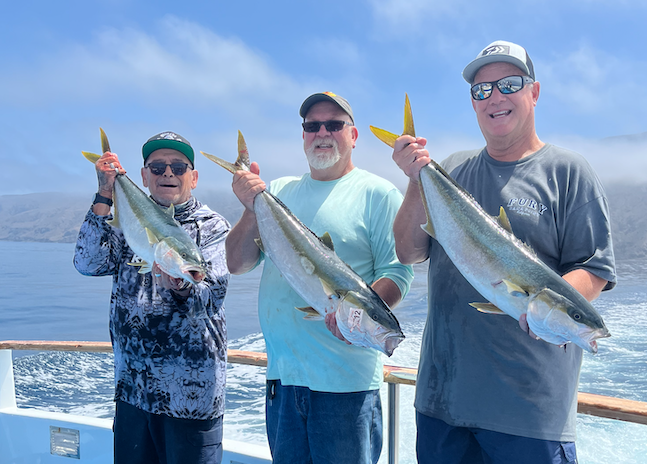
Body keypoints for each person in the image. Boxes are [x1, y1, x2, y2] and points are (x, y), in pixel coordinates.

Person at [391, 41, 616, 464]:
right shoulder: (450, 169)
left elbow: (595, 267)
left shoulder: (569, 171)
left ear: (534, 92)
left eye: (509, 83)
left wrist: (551, 307)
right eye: (482, 89)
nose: (494, 96)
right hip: (442, 406)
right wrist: (417, 179)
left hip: (528, 416)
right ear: (473, 103)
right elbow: (407, 252)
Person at [225, 92, 414, 464]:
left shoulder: (377, 193)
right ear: (303, 135)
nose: (322, 133)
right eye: (312, 126)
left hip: (345, 386)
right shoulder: (275, 192)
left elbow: (398, 272)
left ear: (354, 135)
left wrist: (355, 319)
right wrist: (251, 208)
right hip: (283, 380)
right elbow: (237, 263)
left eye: (334, 124)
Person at [74, 131, 231, 464]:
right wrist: (106, 191)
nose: (168, 173)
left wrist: (181, 286)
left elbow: (211, 297)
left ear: (194, 176)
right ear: (143, 176)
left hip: (190, 398)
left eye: (178, 166)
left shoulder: (212, 227)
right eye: (157, 167)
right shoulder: (127, 220)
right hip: (133, 392)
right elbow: (86, 263)